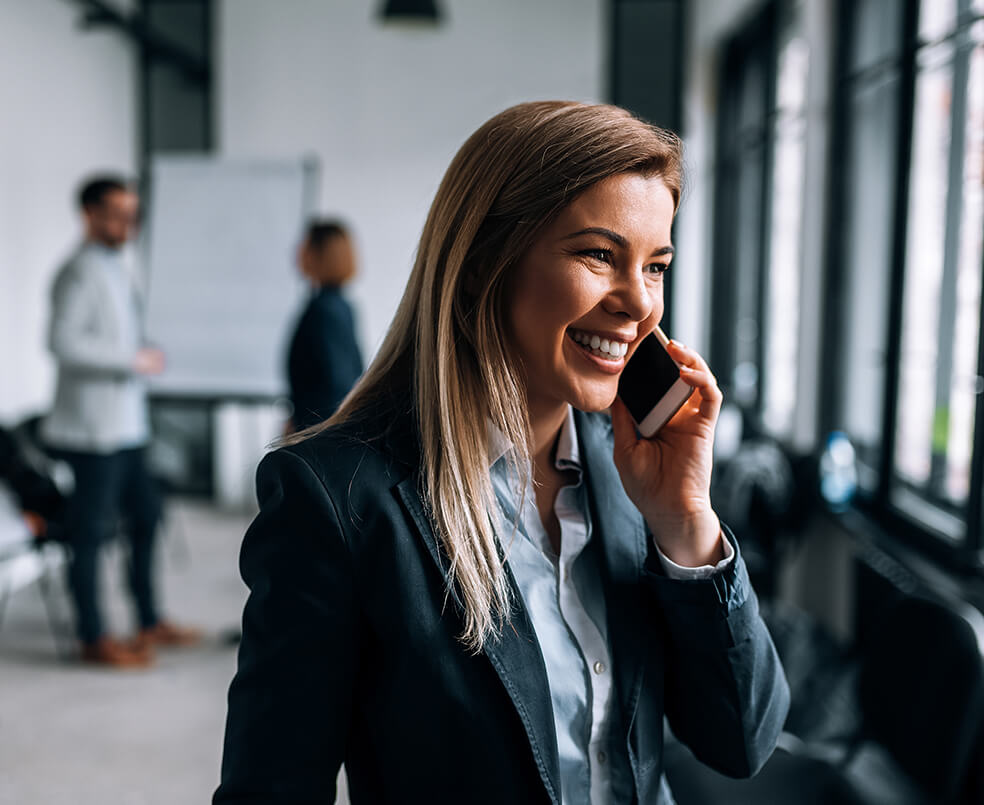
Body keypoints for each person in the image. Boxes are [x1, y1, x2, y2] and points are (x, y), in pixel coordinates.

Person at [215, 102, 790, 804]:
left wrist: (687, 522)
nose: (639, 304)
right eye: (599, 255)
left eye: (656, 266)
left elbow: (741, 740)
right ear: (487, 262)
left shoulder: (636, 475)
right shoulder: (338, 498)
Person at [41, 175, 199, 668]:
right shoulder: (76, 272)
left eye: (133, 213)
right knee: (89, 533)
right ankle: (93, 637)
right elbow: (61, 343)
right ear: (89, 213)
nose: (126, 223)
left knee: (147, 517)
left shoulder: (115, 266)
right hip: (92, 433)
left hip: (126, 428)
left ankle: (149, 620)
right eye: (116, 212)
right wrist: (131, 359)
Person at [286, 219, 364, 432]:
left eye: (305, 245)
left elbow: (337, 382)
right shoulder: (339, 305)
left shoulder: (325, 309)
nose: (298, 252)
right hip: (320, 430)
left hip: (319, 434)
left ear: (321, 254)